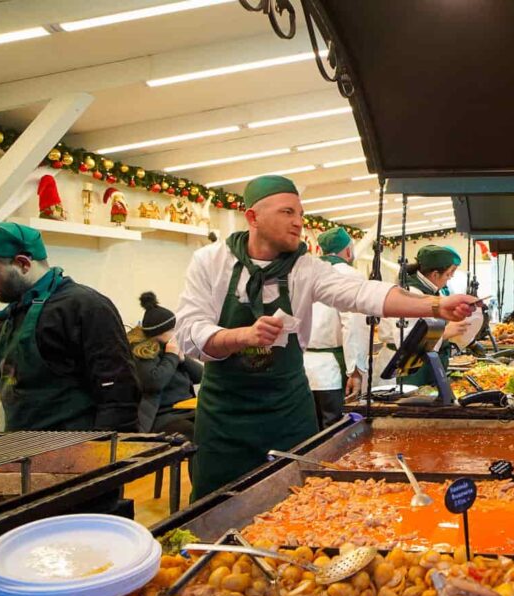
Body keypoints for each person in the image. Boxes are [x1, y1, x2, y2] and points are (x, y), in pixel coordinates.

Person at [175, 176, 477, 499]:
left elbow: (362, 293)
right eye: (287, 213)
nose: (298, 223)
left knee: (298, 499)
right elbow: (188, 333)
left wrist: (435, 304)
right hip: (224, 415)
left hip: (287, 409)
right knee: (215, 502)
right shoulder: (210, 261)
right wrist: (240, 336)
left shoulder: (305, 267)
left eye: (301, 215)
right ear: (252, 218)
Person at [0, 223, 139, 431]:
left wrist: (104, 457)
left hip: (76, 452)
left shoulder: (84, 307)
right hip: (23, 451)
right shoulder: (8, 318)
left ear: (23, 263)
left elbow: (119, 396)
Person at [375, 245, 469, 386]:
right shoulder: (411, 293)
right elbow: (407, 339)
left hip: (423, 363)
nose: (450, 277)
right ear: (435, 274)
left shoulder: (435, 291)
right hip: (404, 367)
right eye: (449, 273)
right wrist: (444, 333)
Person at [304, 227, 369, 428]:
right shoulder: (350, 275)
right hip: (332, 372)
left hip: (303, 371)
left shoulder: (306, 273)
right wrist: (355, 371)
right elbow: (353, 325)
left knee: (310, 432)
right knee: (336, 433)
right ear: (348, 251)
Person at [129, 292, 202, 438]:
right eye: (172, 329)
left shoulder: (171, 347)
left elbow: (200, 376)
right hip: (163, 417)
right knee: (197, 434)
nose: (177, 333)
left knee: (217, 426)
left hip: (187, 410)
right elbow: (154, 383)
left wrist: (183, 359)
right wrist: (171, 356)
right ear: (161, 333)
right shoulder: (143, 352)